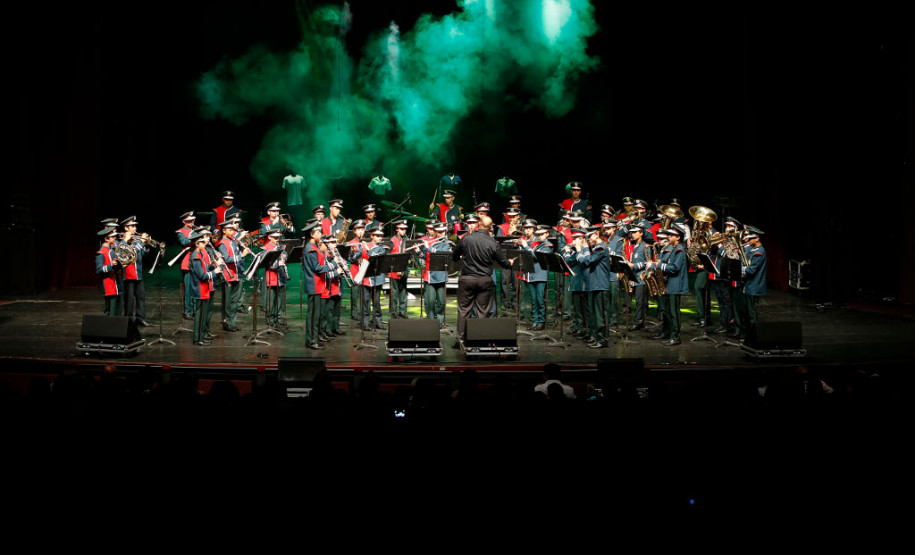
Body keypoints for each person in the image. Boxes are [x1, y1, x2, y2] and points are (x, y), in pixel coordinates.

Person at [451, 215, 513, 347]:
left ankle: (460, 341)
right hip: (485, 280)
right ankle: (478, 341)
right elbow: (504, 263)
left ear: (478, 224)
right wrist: (510, 262)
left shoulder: (466, 238)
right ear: (491, 227)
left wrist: (463, 257)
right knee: (482, 311)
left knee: (464, 310)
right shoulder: (493, 243)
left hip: (467, 279)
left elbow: (454, 256)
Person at [576, 226, 611, 348]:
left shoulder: (601, 248)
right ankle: (597, 337)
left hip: (600, 285)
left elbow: (587, 261)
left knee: (601, 315)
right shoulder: (596, 248)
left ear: (596, 234)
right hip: (595, 285)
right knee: (595, 315)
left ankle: (603, 340)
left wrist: (582, 249)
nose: (588, 239)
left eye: (589, 236)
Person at [302, 221, 334, 349]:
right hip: (314, 286)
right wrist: (333, 265)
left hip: (318, 285)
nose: (320, 234)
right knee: (313, 316)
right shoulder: (310, 249)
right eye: (318, 232)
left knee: (317, 315)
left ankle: (314, 338)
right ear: (312, 234)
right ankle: (311, 341)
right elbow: (317, 268)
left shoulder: (314, 247)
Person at [188, 231, 222, 346]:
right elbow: (202, 276)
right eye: (202, 242)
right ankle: (197, 339)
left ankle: (201, 337)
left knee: (203, 315)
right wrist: (215, 272)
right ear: (197, 244)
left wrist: (213, 265)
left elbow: (205, 268)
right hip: (200, 290)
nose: (205, 244)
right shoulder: (195, 257)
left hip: (204, 289)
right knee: (199, 315)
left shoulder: (200, 254)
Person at [734, 226, 767, 340]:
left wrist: (738, 269)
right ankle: (748, 335)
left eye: (750, 238)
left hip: (754, 287)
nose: (747, 240)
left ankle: (755, 337)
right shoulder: (750, 248)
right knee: (747, 313)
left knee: (753, 315)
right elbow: (742, 256)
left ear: (757, 239)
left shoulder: (759, 252)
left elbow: (751, 270)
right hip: (747, 286)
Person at [217, 220, 251, 332]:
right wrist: (242, 255)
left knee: (235, 301)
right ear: (224, 230)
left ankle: (232, 322)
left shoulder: (233, 241)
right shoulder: (222, 244)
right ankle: (228, 323)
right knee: (229, 302)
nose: (232, 232)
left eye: (233, 230)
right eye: (230, 230)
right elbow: (227, 259)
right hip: (228, 276)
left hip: (237, 274)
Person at [352, 228, 388, 331]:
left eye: (381, 236)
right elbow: (353, 259)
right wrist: (353, 251)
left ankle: (378, 322)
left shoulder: (382, 248)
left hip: (377, 278)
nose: (380, 238)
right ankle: (365, 323)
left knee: (376, 302)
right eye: (377, 236)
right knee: (365, 302)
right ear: (371, 236)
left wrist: (368, 249)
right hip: (366, 278)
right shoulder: (363, 246)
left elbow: (375, 256)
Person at [118, 216, 151, 327]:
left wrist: (146, 246)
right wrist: (141, 243)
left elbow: (142, 255)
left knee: (141, 297)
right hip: (128, 275)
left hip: (138, 274)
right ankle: (128, 320)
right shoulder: (122, 242)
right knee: (129, 300)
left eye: (135, 226)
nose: (135, 228)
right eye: (132, 226)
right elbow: (130, 254)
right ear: (126, 228)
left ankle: (140, 318)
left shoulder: (136, 240)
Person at [519, 225, 553, 331]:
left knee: (539, 299)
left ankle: (541, 321)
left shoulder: (548, 245)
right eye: (538, 234)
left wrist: (526, 246)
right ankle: (535, 320)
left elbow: (536, 256)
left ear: (547, 234)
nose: (539, 236)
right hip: (532, 275)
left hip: (541, 276)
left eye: (542, 234)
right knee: (533, 300)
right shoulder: (537, 244)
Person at [418, 222, 452, 328]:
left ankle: (440, 321)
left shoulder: (448, 243)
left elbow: (442, 254)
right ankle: (431, 321)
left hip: (441, 275)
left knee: (441, 302)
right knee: (430, 301)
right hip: (430, 275)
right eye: (439, 232)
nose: (441, 234)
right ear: (435, 232)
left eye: (443, 232)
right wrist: (418, 251)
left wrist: (429, 248)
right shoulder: (429, 242)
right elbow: (424, 256)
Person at [261, 230, 288, 331]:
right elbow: (265, 263)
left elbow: (286, 254)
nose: (277, 240)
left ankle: (278, 317)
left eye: (278, 238)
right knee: (271, 300)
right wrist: (277, 264)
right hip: (271, 276)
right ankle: (270, 318)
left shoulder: (281, 246)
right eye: (275, 238)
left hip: (280, 276)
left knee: (279, 299)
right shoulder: (266, 248)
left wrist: (285, 258)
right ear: (269, 237)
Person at [626, 223, 651, 331]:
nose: (632, 234)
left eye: (635, 232)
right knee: (636, 300)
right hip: (633, 276)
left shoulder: (645, 246)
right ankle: (638, 320)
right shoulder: (633, 246)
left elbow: (647, 263)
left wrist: (633, 265)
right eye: (631, 232)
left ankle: (639, 321)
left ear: (641, 233)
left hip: (641, 277)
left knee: (640, 301)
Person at [96, 227, 124, 317]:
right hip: (109, 285)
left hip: (117, 283)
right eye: (112, 237)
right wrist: (110, 265)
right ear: (106, 239)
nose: (115, 238)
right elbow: (99, 270)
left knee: (118, 311)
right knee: (111, 313)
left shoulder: (111, 250)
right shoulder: (101, 252)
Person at [175, 211, 197, 320]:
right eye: (189, 221)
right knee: (188, 289)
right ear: (184, 221)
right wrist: (195, 235)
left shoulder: (196, 230)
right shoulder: (180, 232)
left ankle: (195, 310)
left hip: (197, 261)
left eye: (193, 220)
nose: (192, 222)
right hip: (187, 261)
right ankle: (187, 311)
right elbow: (184, 242)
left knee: (196, 287)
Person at [388, 220, 410, 319]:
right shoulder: (393, 240)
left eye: (405, 229)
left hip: (404, 269)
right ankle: (394, 311)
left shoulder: (407, 240)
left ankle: (402, 311)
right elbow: (388, 254)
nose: (403, 231)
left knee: (403, 291)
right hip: (394, 270)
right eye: (401, 229)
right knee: (394, 292)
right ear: (397, 229)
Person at [346, 220, 367, 320]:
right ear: (354, 231)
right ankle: (354, 313)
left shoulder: (366, 242)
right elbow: (350, 259)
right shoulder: (350, 243)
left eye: (362, 230)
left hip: (365, 271)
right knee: (355, 295)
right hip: (355, 271)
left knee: (364, 294)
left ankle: (364, 312)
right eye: (358, 230)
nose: (360, 232)